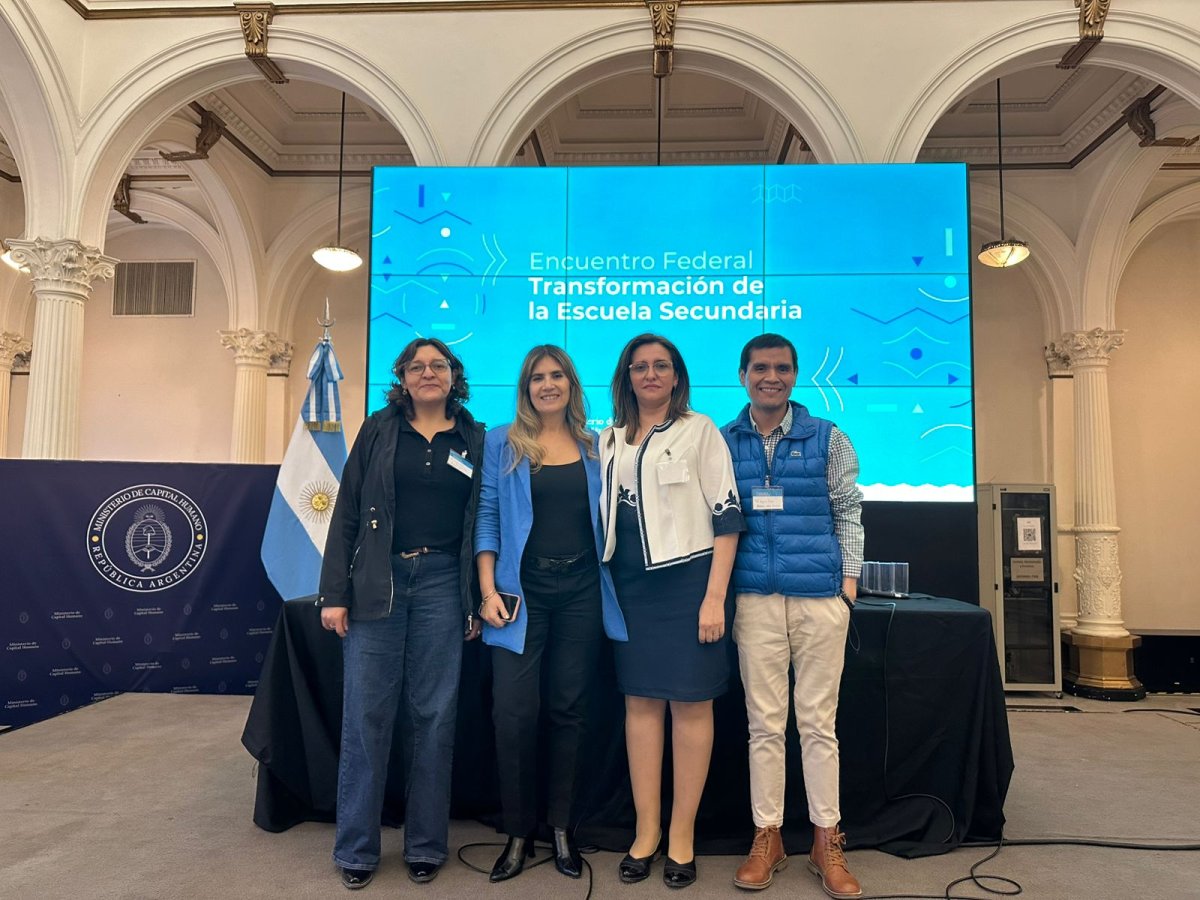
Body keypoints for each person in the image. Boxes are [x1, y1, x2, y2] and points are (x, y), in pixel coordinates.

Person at [317, 337, 485, 891]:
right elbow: (346, 511)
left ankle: (426, 845)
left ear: (453, 375)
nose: (427, 373)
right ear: (404, 377)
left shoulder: (474, 436)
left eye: (438, 365)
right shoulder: (378, 429)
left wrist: (475, 597)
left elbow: (482, 522)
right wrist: (334, 593)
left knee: (434, 718)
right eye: (417, 366)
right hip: (377, 582)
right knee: (367, 717)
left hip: (444, 585)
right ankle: (356, 849)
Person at [474, 345, 629, 882]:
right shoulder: (502, 443)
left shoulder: (596, 445)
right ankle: (518, 832)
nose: (547, 384)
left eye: (557, 375)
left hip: (582, 590)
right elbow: (488, 517)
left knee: (570, 710)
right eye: (537, 377)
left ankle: (562, 828)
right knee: (513, 713)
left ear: (571, 385)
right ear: (526, 388)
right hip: (520, 593)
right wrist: (487, 590)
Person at [599, 333, 744, 890]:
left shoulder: (700, 430)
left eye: (661, 366)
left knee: (690, 705)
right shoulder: (608, 437)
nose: (651, 374)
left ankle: (682, 834)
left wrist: (714, 597)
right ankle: (646, 832)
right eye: (640, 367)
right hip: (629, 587)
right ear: (627, 376)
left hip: (689, 585)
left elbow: (727, 516)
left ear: (677, 375)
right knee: (639, 705)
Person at [720, 333, 864, 898]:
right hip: (754, 599)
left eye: (781, 368)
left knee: (818, 724)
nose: (771, 377)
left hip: (820, 599)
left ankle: (827, 840)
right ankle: (769, 836)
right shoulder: (723, 441)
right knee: (764, 723)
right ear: (743, 375)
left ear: (795, 375)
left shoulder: (830, 437)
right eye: (760, 368)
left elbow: (848, 511)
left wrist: (847, 585)